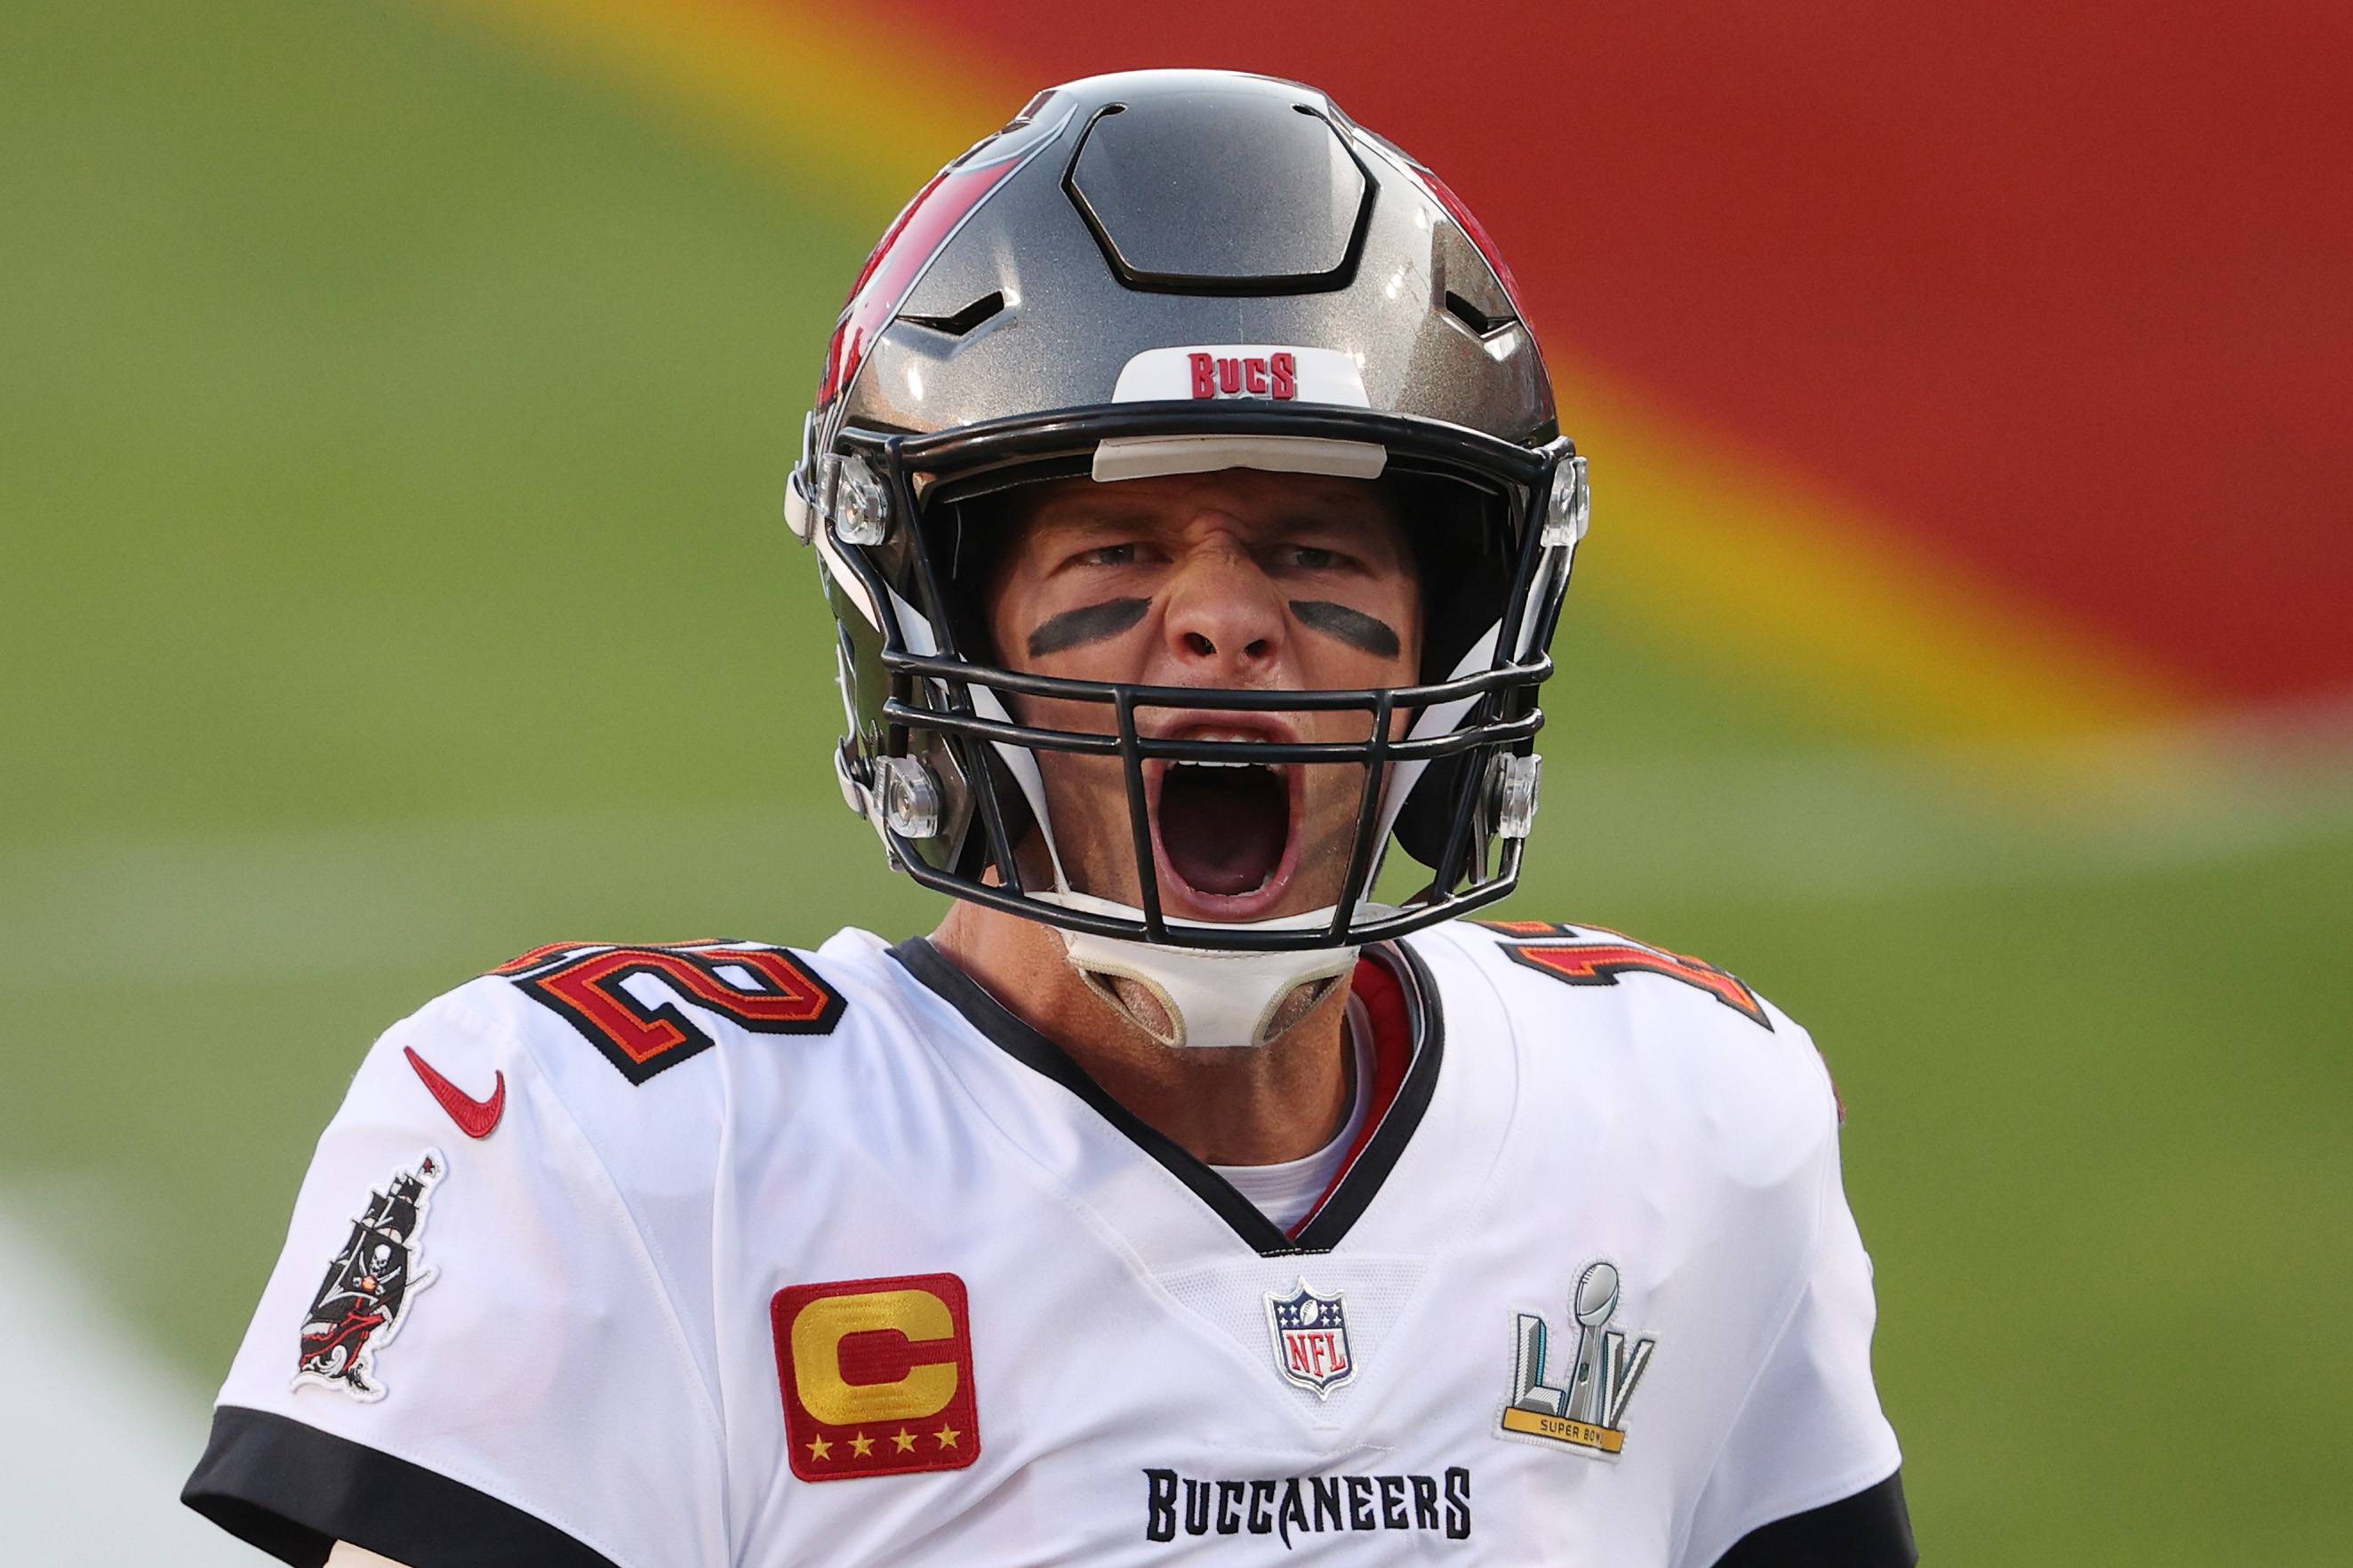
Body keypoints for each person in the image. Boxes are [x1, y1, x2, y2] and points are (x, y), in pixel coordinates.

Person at [184, 69, 1914, 1566]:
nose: (1225, 621)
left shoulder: (1689, 1121)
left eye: (1314, 551)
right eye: (1120, 552)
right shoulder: (619, 1146)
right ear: (946, 624)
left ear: (1460, 633)